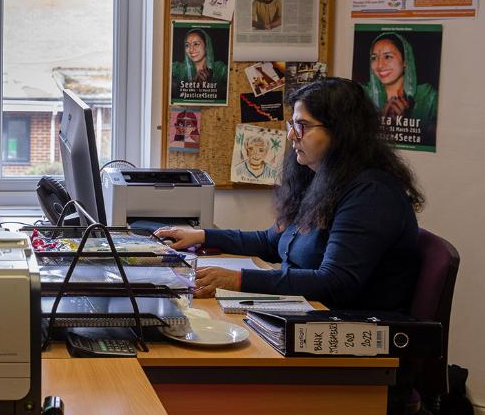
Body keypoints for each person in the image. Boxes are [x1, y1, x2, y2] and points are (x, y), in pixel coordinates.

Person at [155, 78, 422, 312]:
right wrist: (201, 236)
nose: (292, 135)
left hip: (348, 330)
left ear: (341, 132)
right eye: (292, 124)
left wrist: (235, 280)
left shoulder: (370, 195)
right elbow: (272, 242)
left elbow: (335, 282)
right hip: (308, 311)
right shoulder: (322, 178)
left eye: (303, 126)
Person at [366, 32, 438, 134]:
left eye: (387, 57)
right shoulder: (361, 95)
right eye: (374, 58)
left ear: (405, 61)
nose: (379, 66)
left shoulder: (429, 98)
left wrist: (406, 122)